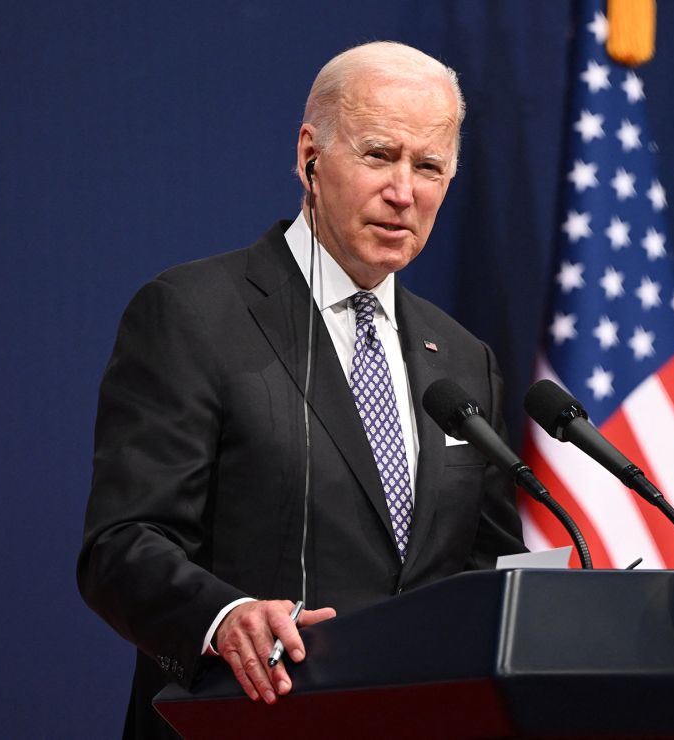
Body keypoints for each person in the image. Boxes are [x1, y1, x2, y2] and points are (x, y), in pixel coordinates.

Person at [78, 41, 526, 738]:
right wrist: (223, 616)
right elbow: (123, 544)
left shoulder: (464, 361)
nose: (404, 191)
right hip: (245, 719)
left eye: (429, 166)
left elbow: (486, 573)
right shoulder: (194, 314)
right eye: (379, 155)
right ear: (309, 155)